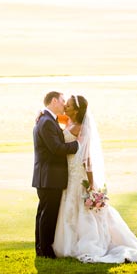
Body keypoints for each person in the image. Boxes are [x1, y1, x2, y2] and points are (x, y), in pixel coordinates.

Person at [52, 94, 137, 264]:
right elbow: (55, 119)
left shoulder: (82, 128)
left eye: (69, 106)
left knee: (82, 209)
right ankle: (69, 242)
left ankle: (88, 243)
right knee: (70, 206)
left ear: (77, 111)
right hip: (69, 173)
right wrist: (43, 114)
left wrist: (91, 183)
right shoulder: (69, 121)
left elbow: (87, 157)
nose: (65, 108)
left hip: (78, 172)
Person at [32, 91, 79, 258]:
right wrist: (77, 146)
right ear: (53, 101)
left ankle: (41, 248)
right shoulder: (46, 122)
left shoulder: (48, 119)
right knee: (48, 214)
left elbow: (69, 122)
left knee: (43, 213)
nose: (64, 104)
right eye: (62, 101)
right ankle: (45, 250)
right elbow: (57, 148)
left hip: (47, 176)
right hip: (49, 177)